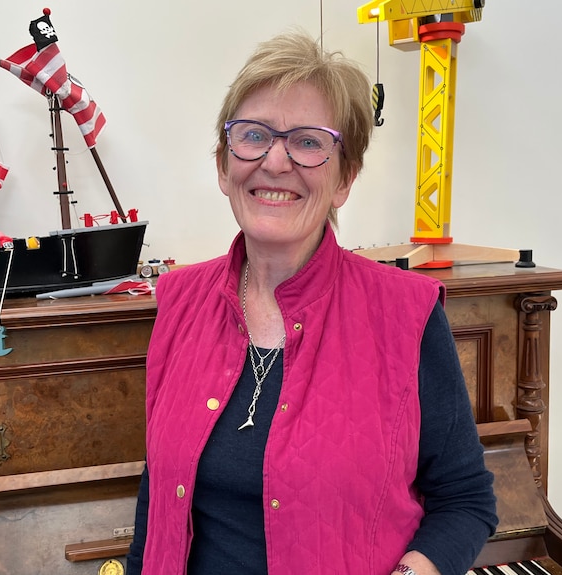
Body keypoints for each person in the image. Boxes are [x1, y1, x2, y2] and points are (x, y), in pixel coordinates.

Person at [126, 30, 497, 575]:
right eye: (252, 135)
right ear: (224, 167)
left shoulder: (407, 312)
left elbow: (466, 499)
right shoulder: (179, 300)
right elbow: (158, 495)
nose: (275, 163)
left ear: (344, 178)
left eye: (307, 141)